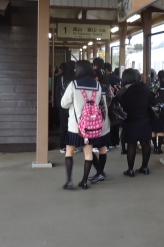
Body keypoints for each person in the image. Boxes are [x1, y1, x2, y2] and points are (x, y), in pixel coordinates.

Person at [60, 60, 106, 190]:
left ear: (79, 69)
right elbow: (98, 103)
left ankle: (69, 181)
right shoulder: (97, 85)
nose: (74, 70)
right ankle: (84, 182)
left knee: (69, 151)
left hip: (75, 126)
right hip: (91, 126)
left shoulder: (73, 85)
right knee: (88, 152)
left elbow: (64, 103)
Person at [117, 68, 155, 176]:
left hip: (130, 122)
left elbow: (119, 106)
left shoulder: (123, 91)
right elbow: (152, 101)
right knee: (146, 144)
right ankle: (145, 167)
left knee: (131, 145)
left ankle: (130, 170)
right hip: (145, 120)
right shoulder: (144, 87)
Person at [88, 67, 111, 183]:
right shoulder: (106, 88)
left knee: (88, 148)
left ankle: (100, 172)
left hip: (94, 123)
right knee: (102, 148)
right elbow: (110, 99)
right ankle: (100, 172)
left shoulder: (94, 88)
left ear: (96, 77)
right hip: (105, 121)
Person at [150, 70, 164, 154]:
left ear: (158, 76)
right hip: (163, 109)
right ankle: (159, 148)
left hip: (153, 108)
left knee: (153, 129)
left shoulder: (153, 84)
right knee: (161, 129)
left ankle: (155, 147)